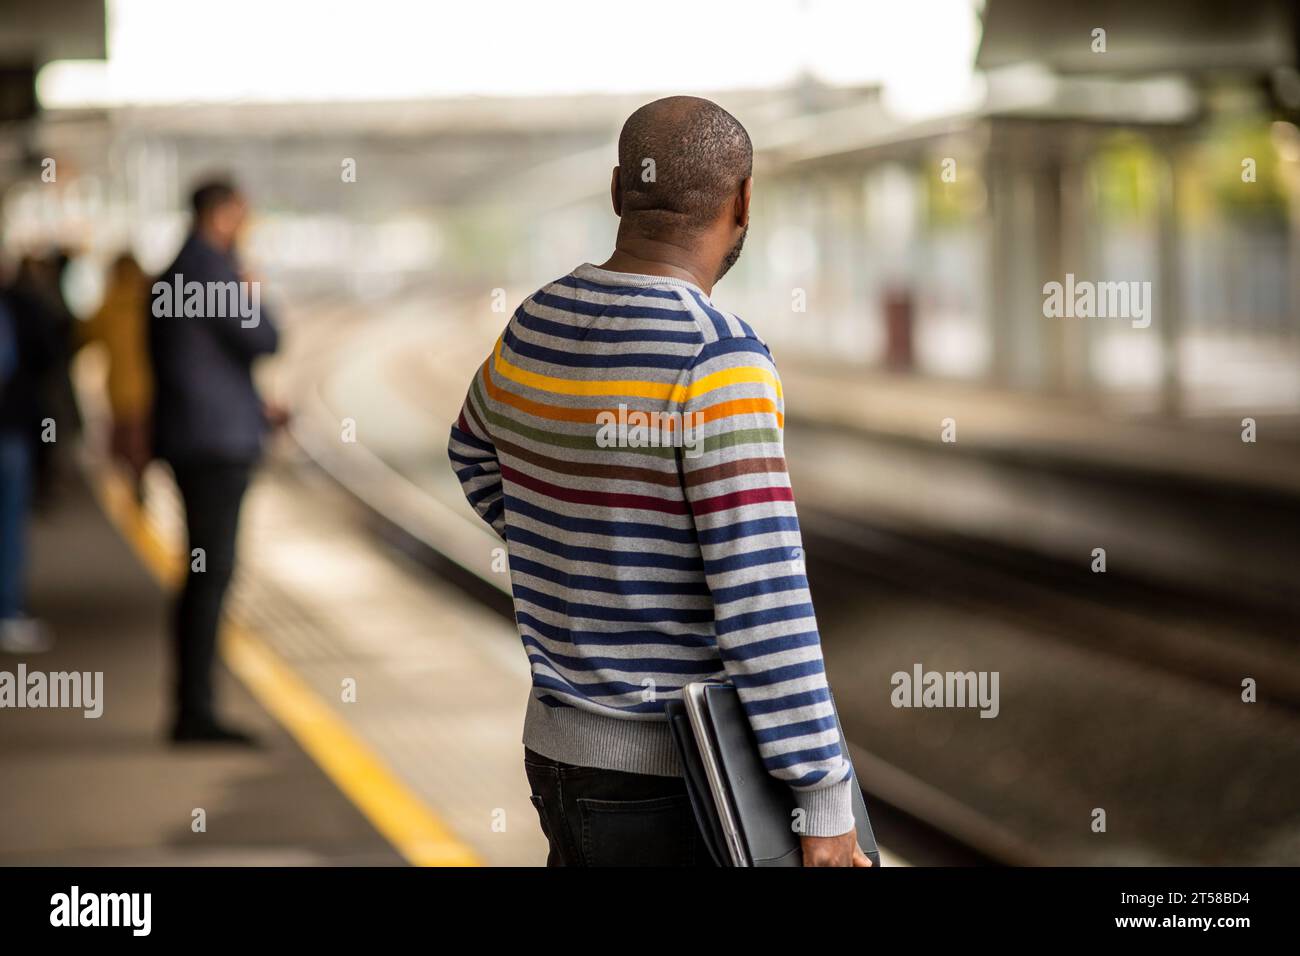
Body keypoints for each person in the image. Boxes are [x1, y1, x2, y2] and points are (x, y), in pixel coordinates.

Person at [447, 96, 870, 867]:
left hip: (558, 755)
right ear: (743, 201)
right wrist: (823, 796)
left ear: (617, 191)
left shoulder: (535, 321)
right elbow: (762, 593)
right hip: (679, 783)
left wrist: (577, 546)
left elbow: (471, 451)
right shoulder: (720, 358)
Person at [149, 177, 279, 745]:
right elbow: (265, 339)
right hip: (216, 447)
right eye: (242, 214)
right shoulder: (213, 271)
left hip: (190, 438)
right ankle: (194, 713)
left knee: (201, 571)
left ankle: (192, 705)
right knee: (210, 573)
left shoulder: (173, 270)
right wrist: (251, 287)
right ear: (224, 214)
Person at [0, 268, 58, 654]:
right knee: (8, 525)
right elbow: (46, 352)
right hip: (10, 429)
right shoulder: (17, 305)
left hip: (13, 429)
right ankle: (6, 613)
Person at [82, 252, 153, 497]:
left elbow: (84, 334)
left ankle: (133, 497)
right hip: (149, 388)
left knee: (124, 450)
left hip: (119, 389)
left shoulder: (110, 303)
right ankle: (138, 494)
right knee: (140, 450)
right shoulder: (151, 301)